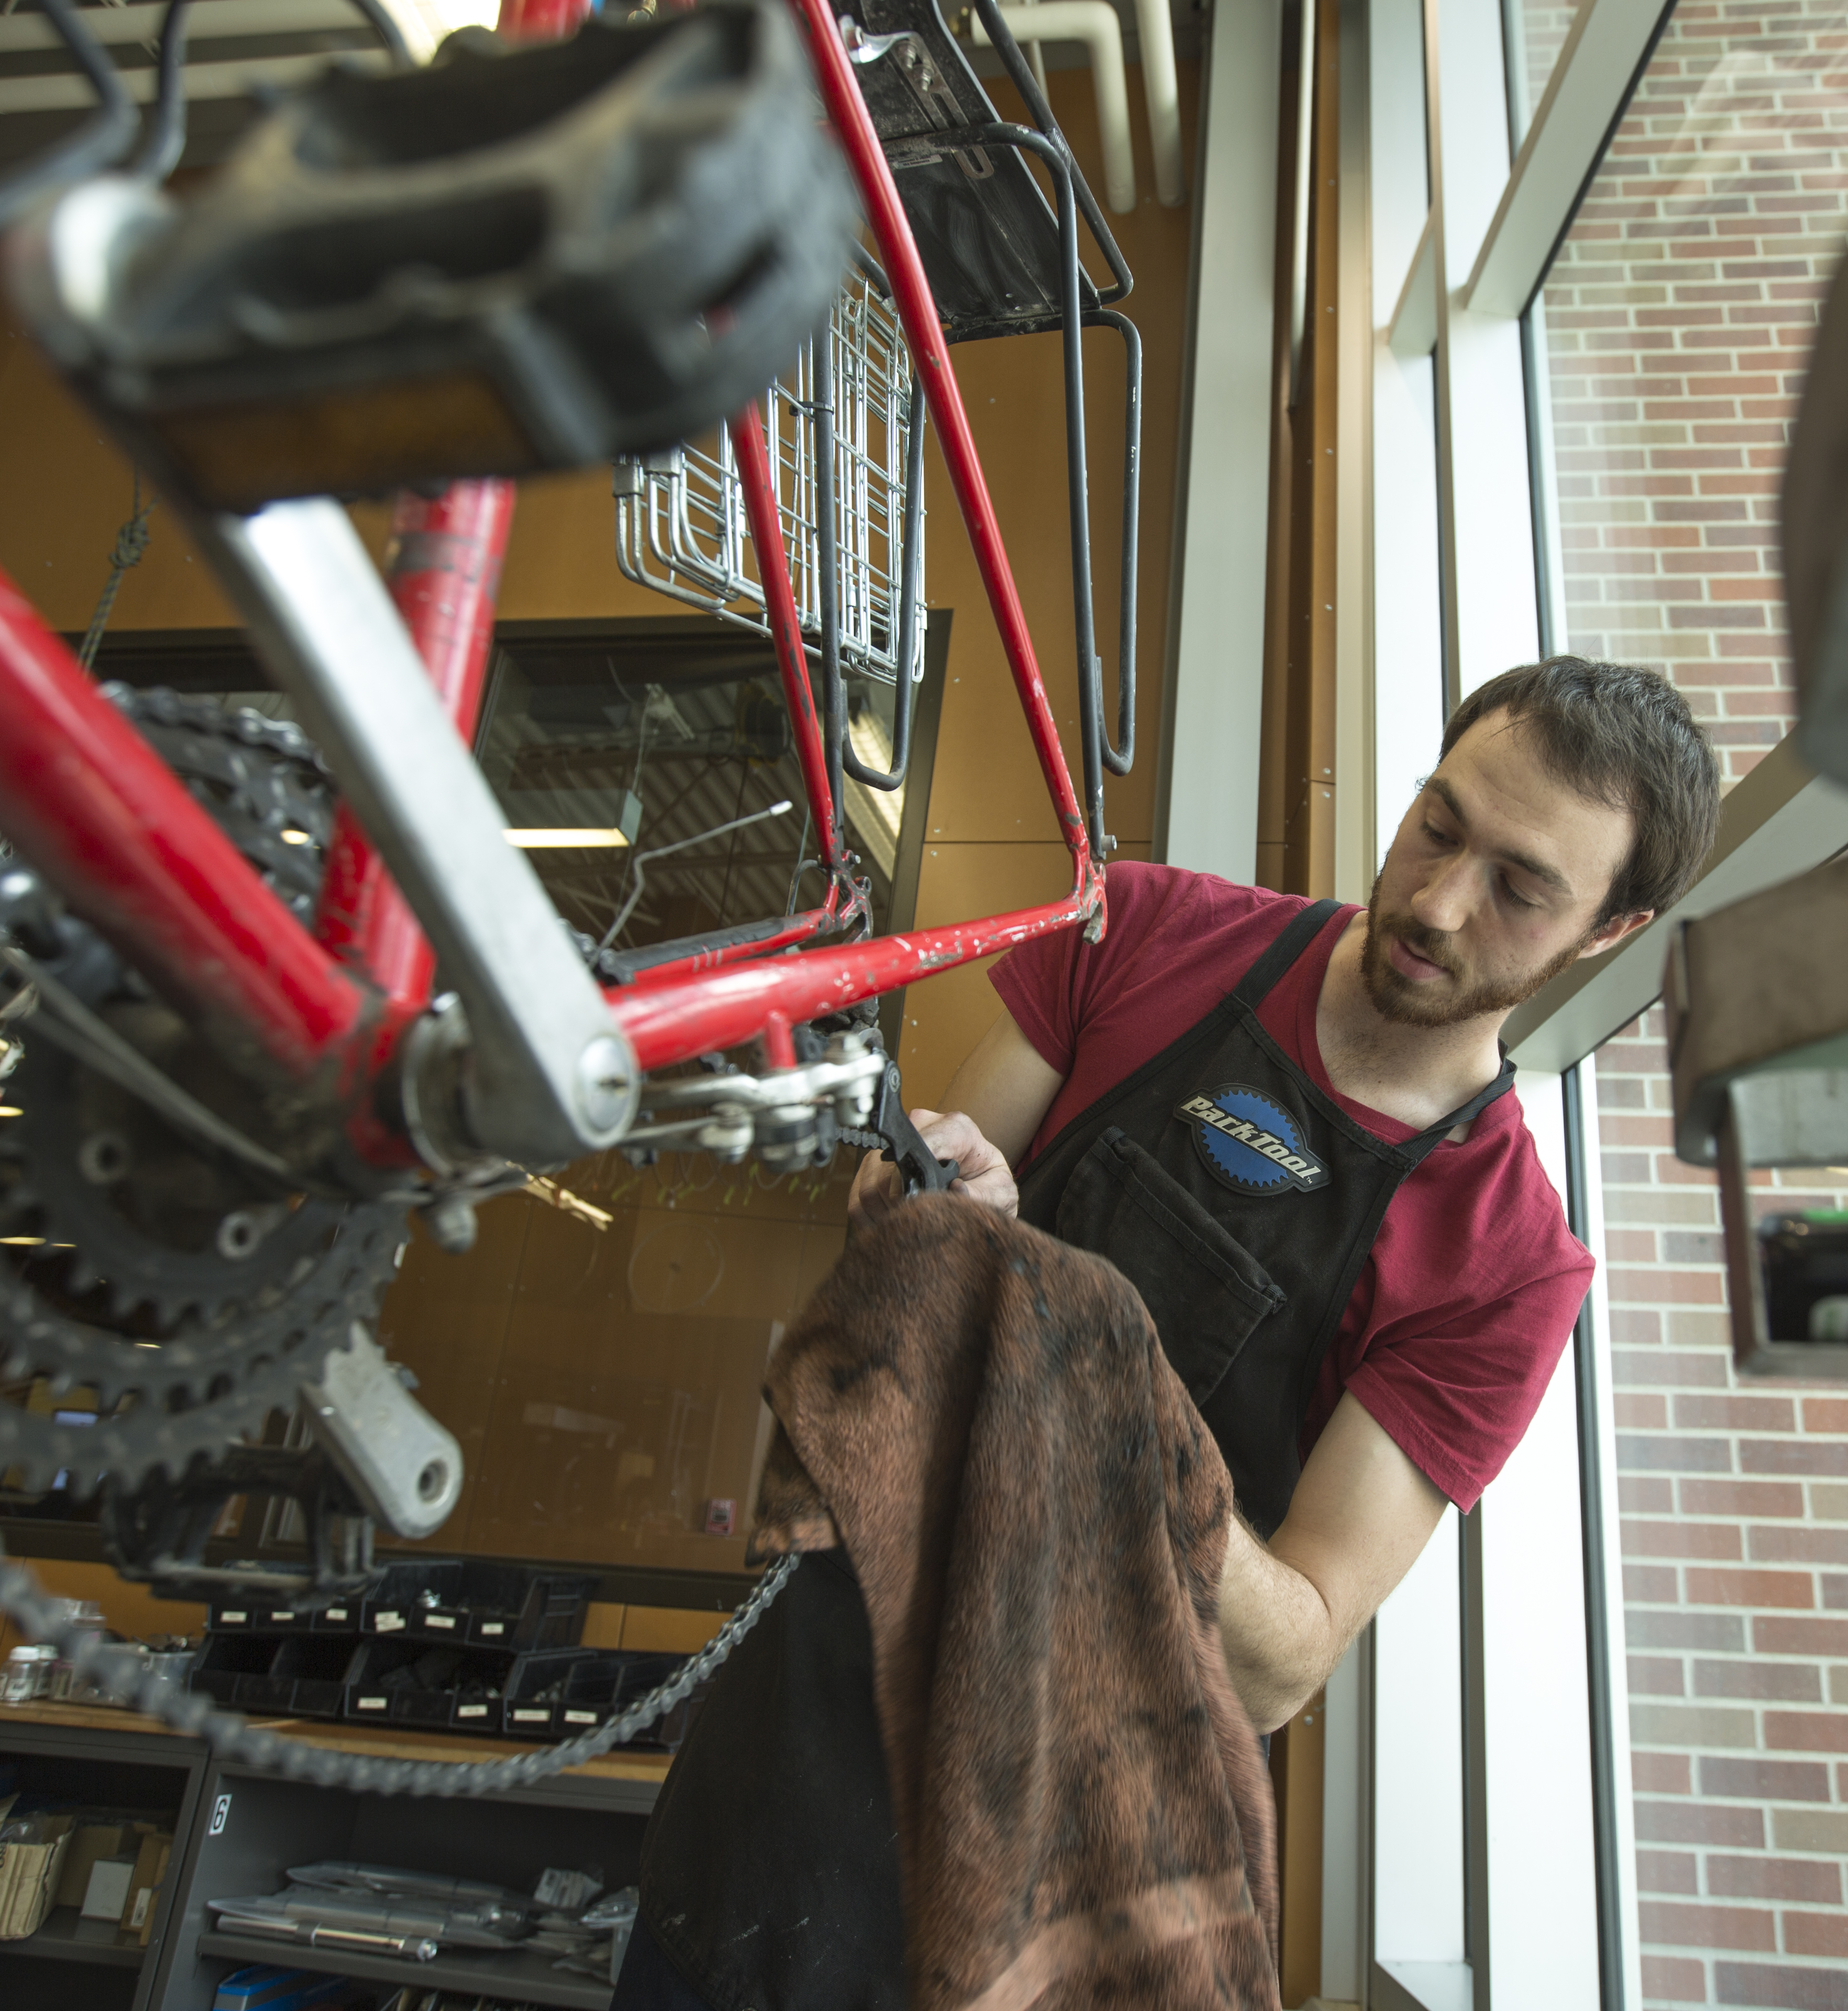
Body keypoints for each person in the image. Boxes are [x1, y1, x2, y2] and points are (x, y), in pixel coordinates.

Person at [617, 656, 1722, 2011]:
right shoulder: (1133, 926)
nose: (1439, 901)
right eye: (1439, 825)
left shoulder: (1505, 1265)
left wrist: (1097, 1377)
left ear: (1612, 930)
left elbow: (1278, 1661)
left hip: (1060, 1885)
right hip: (793, 1768)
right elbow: (902, 1247)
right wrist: (931, 1207)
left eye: (1522, 887)